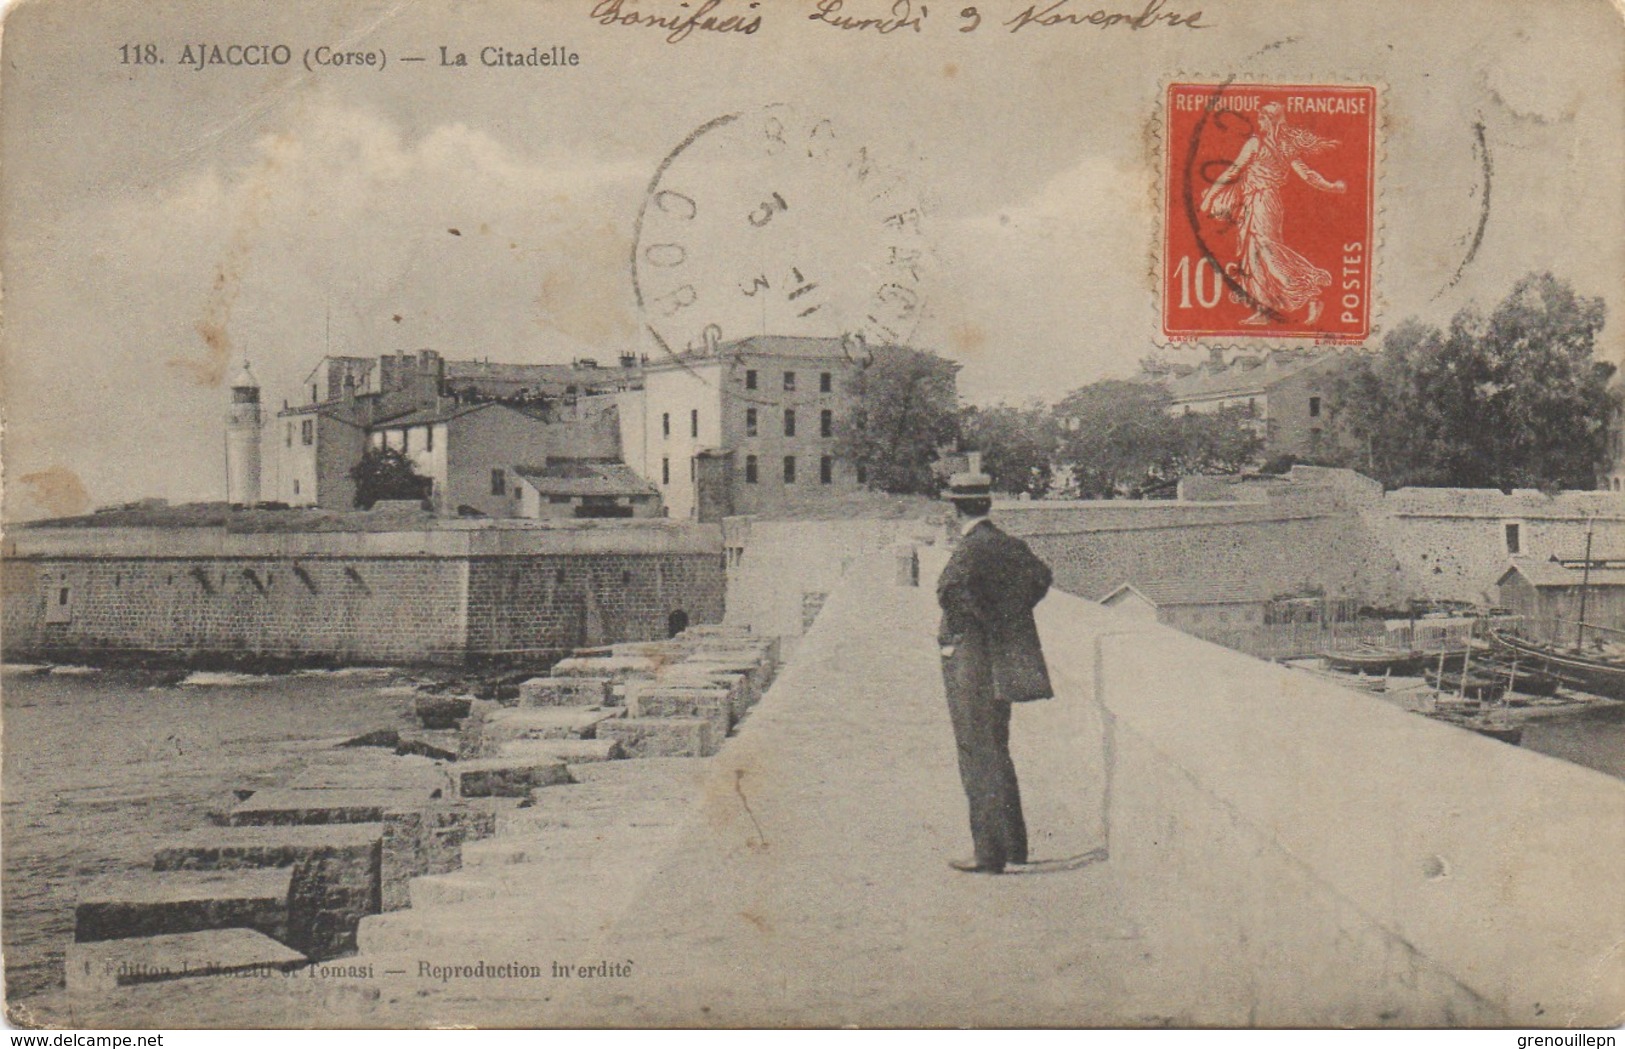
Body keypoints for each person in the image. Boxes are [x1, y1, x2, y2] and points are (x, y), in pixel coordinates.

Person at [936, 458, 1054, 875]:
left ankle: (989, 853)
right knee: (998, 748)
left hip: (971, 661)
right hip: (999, 660)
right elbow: (1041, 577)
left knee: (976, 752)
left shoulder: (970, 549)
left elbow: (949, 593)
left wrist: (980, 625)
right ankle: (1014, 844)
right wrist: (1008, 620)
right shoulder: (1007, 544)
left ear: (956, 510)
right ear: (986, 504)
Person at [1200, 100, 1346, 326]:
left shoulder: (1256, 144)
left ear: (1270, 121)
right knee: (1254, 255)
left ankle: (1310, 292)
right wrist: (1331, 186)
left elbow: (1234, 170)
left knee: (1267, 253)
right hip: (1257, 202)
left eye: (1262, 118)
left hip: (1263, 202)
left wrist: (1210, 196)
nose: (1259, 122)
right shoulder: (1285, 147)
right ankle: (1263, 309)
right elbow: (1308, 175)